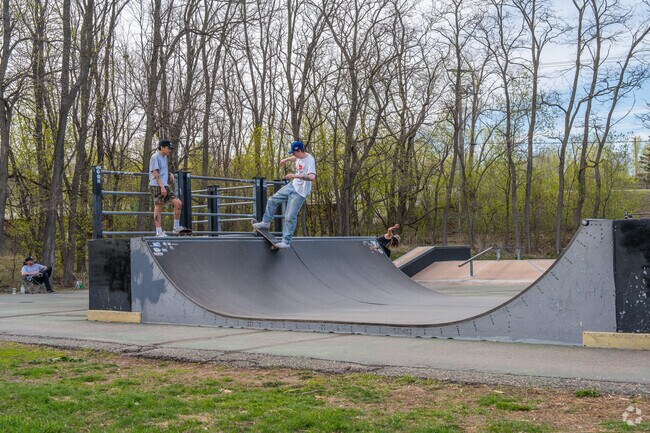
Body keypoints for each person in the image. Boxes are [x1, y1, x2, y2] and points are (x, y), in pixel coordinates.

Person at [252, 140, 316, 249]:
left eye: (294, 153)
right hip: (292, 186)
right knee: (272, 199)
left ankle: (286, 242)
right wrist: (286, 160)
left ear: (300, 150)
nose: (294, 155)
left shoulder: (310, 160)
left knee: (289, 216)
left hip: (300, 192)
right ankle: (266, 222)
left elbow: (312, 177)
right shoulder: (298, 156)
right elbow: (295, 158)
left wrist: (294, 175)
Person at [149, 139, 186, 237]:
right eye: (168, 148)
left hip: (165, 184)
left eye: (170, 148)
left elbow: (161, 170)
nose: (170, 150)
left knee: (178, 203)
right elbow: (155, 172)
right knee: (159, 208)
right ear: (162, 147)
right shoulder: (155, 157)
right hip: (157, 185)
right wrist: (162, 187)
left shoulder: (165, 157)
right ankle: (159, 232)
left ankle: (176, 228)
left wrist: (170, 174)